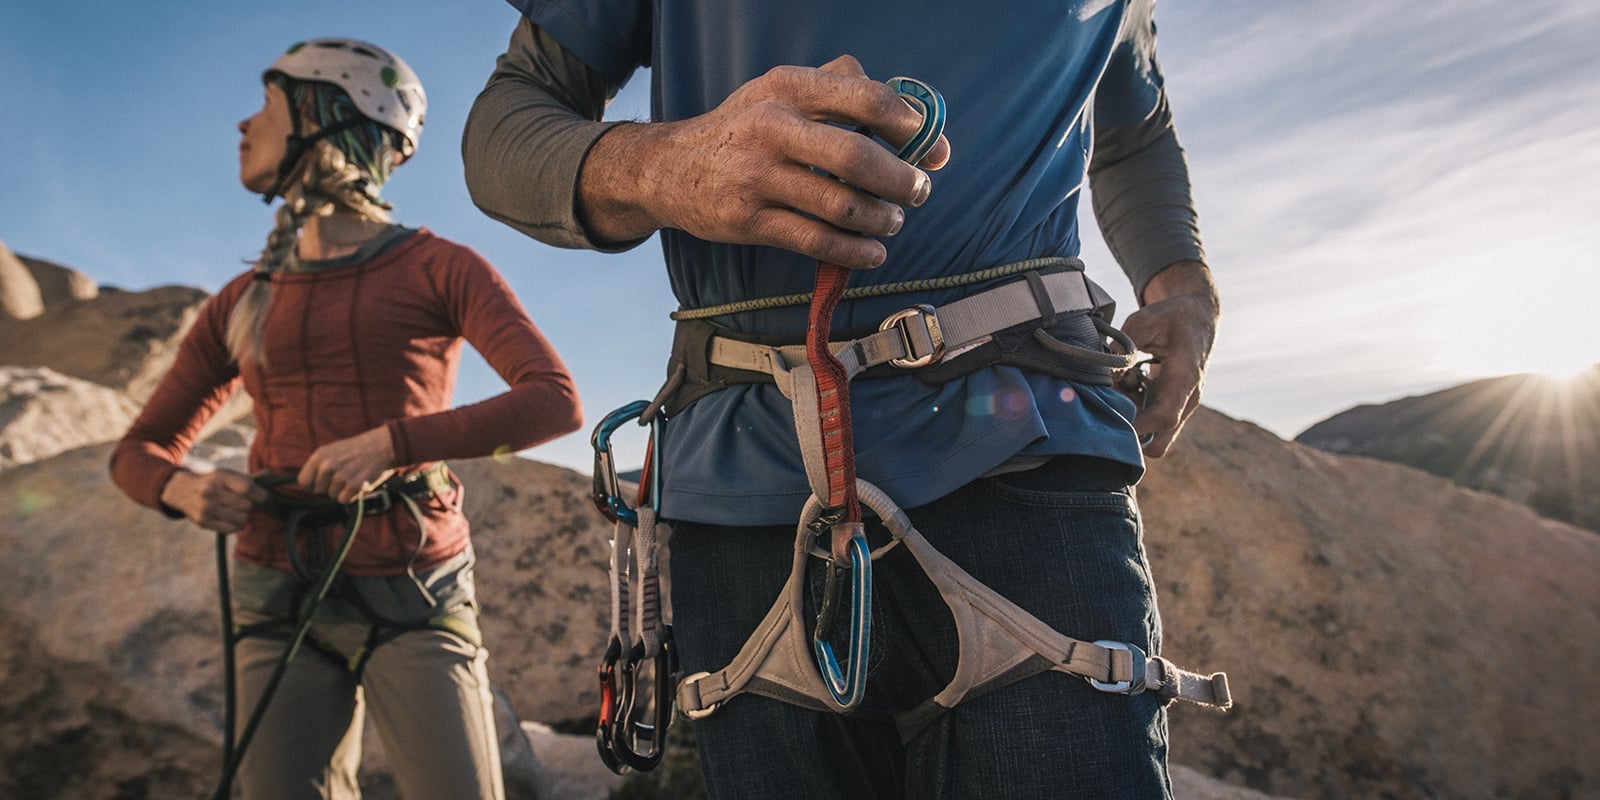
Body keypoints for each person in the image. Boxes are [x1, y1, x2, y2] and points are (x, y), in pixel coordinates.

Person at [463, 2, 1221, 798]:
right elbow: (504, 127)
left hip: (1022, 451)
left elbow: (1134, 129)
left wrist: (1182, 284)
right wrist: (661, 166)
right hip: (748, 487)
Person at [110, 38, 582, 800]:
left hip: (415, 585)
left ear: (328, 118)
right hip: (276, 580)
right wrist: (184, 492)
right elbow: (139, 452)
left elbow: (553, 399)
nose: (241, 125)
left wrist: (392, 445)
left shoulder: (439, 266)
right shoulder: (240, 300)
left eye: (266, 104)